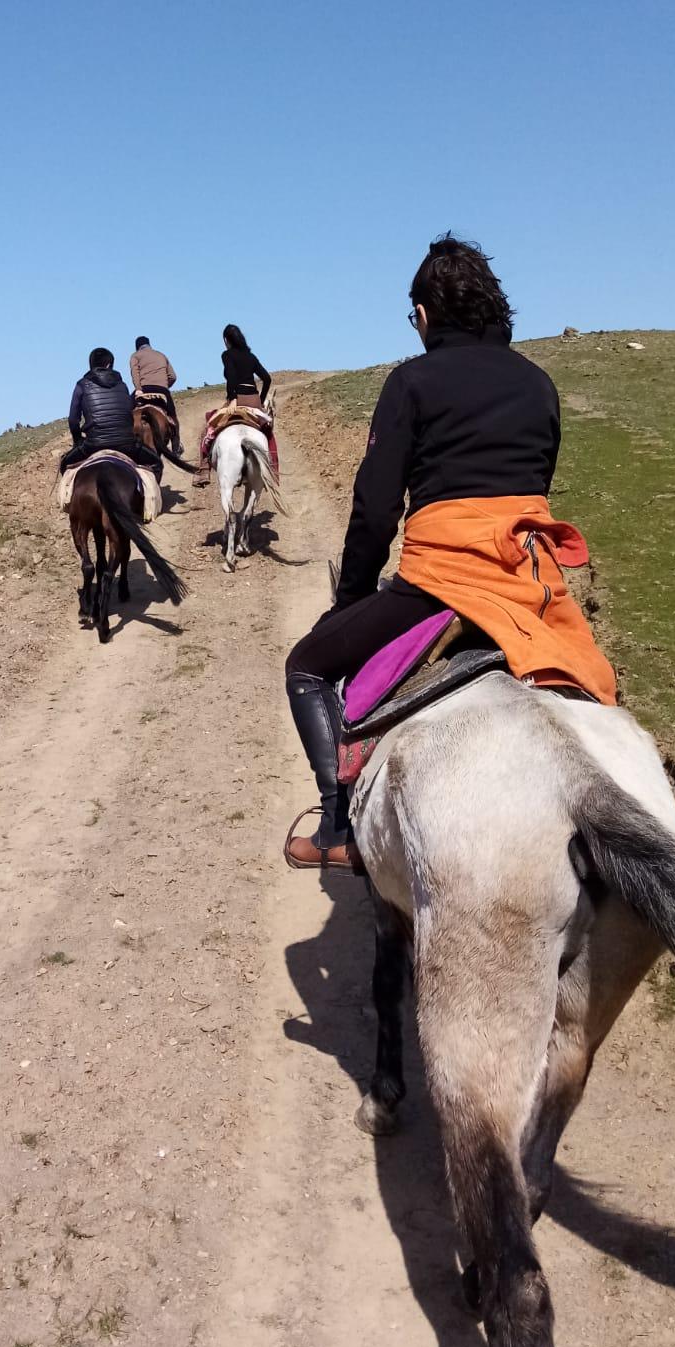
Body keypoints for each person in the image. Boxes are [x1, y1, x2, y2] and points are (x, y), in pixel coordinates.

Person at [283, 235, 617, 871]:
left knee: (306, 664)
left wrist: (349, 601)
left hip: (441, 579)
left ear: (427, 314)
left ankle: (336, 830)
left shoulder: (412, 381)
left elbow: (376, 508)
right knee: (591, 681)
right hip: (529, 579)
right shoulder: (539, 384)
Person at [60, 347, 163, 479]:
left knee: (65, 464)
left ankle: (66, 500)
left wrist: (78, 440)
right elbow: (128, 415)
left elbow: (73, 420)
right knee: (156, 462)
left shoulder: (82, 385)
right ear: (109, 364)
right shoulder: (122, 385)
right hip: (126, 444)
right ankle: (151, 499)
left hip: (93, 445)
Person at [194, 324, 275, 485]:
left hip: (237, 398)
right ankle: (271, 469)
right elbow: (267, 378)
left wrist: (233, 399)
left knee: (208, 428)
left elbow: (231, 377)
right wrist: (260, 399)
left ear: (226, 340)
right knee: (267, 431)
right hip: (253, 399)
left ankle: (204, 470)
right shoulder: (251, 356)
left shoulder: (227, 355)